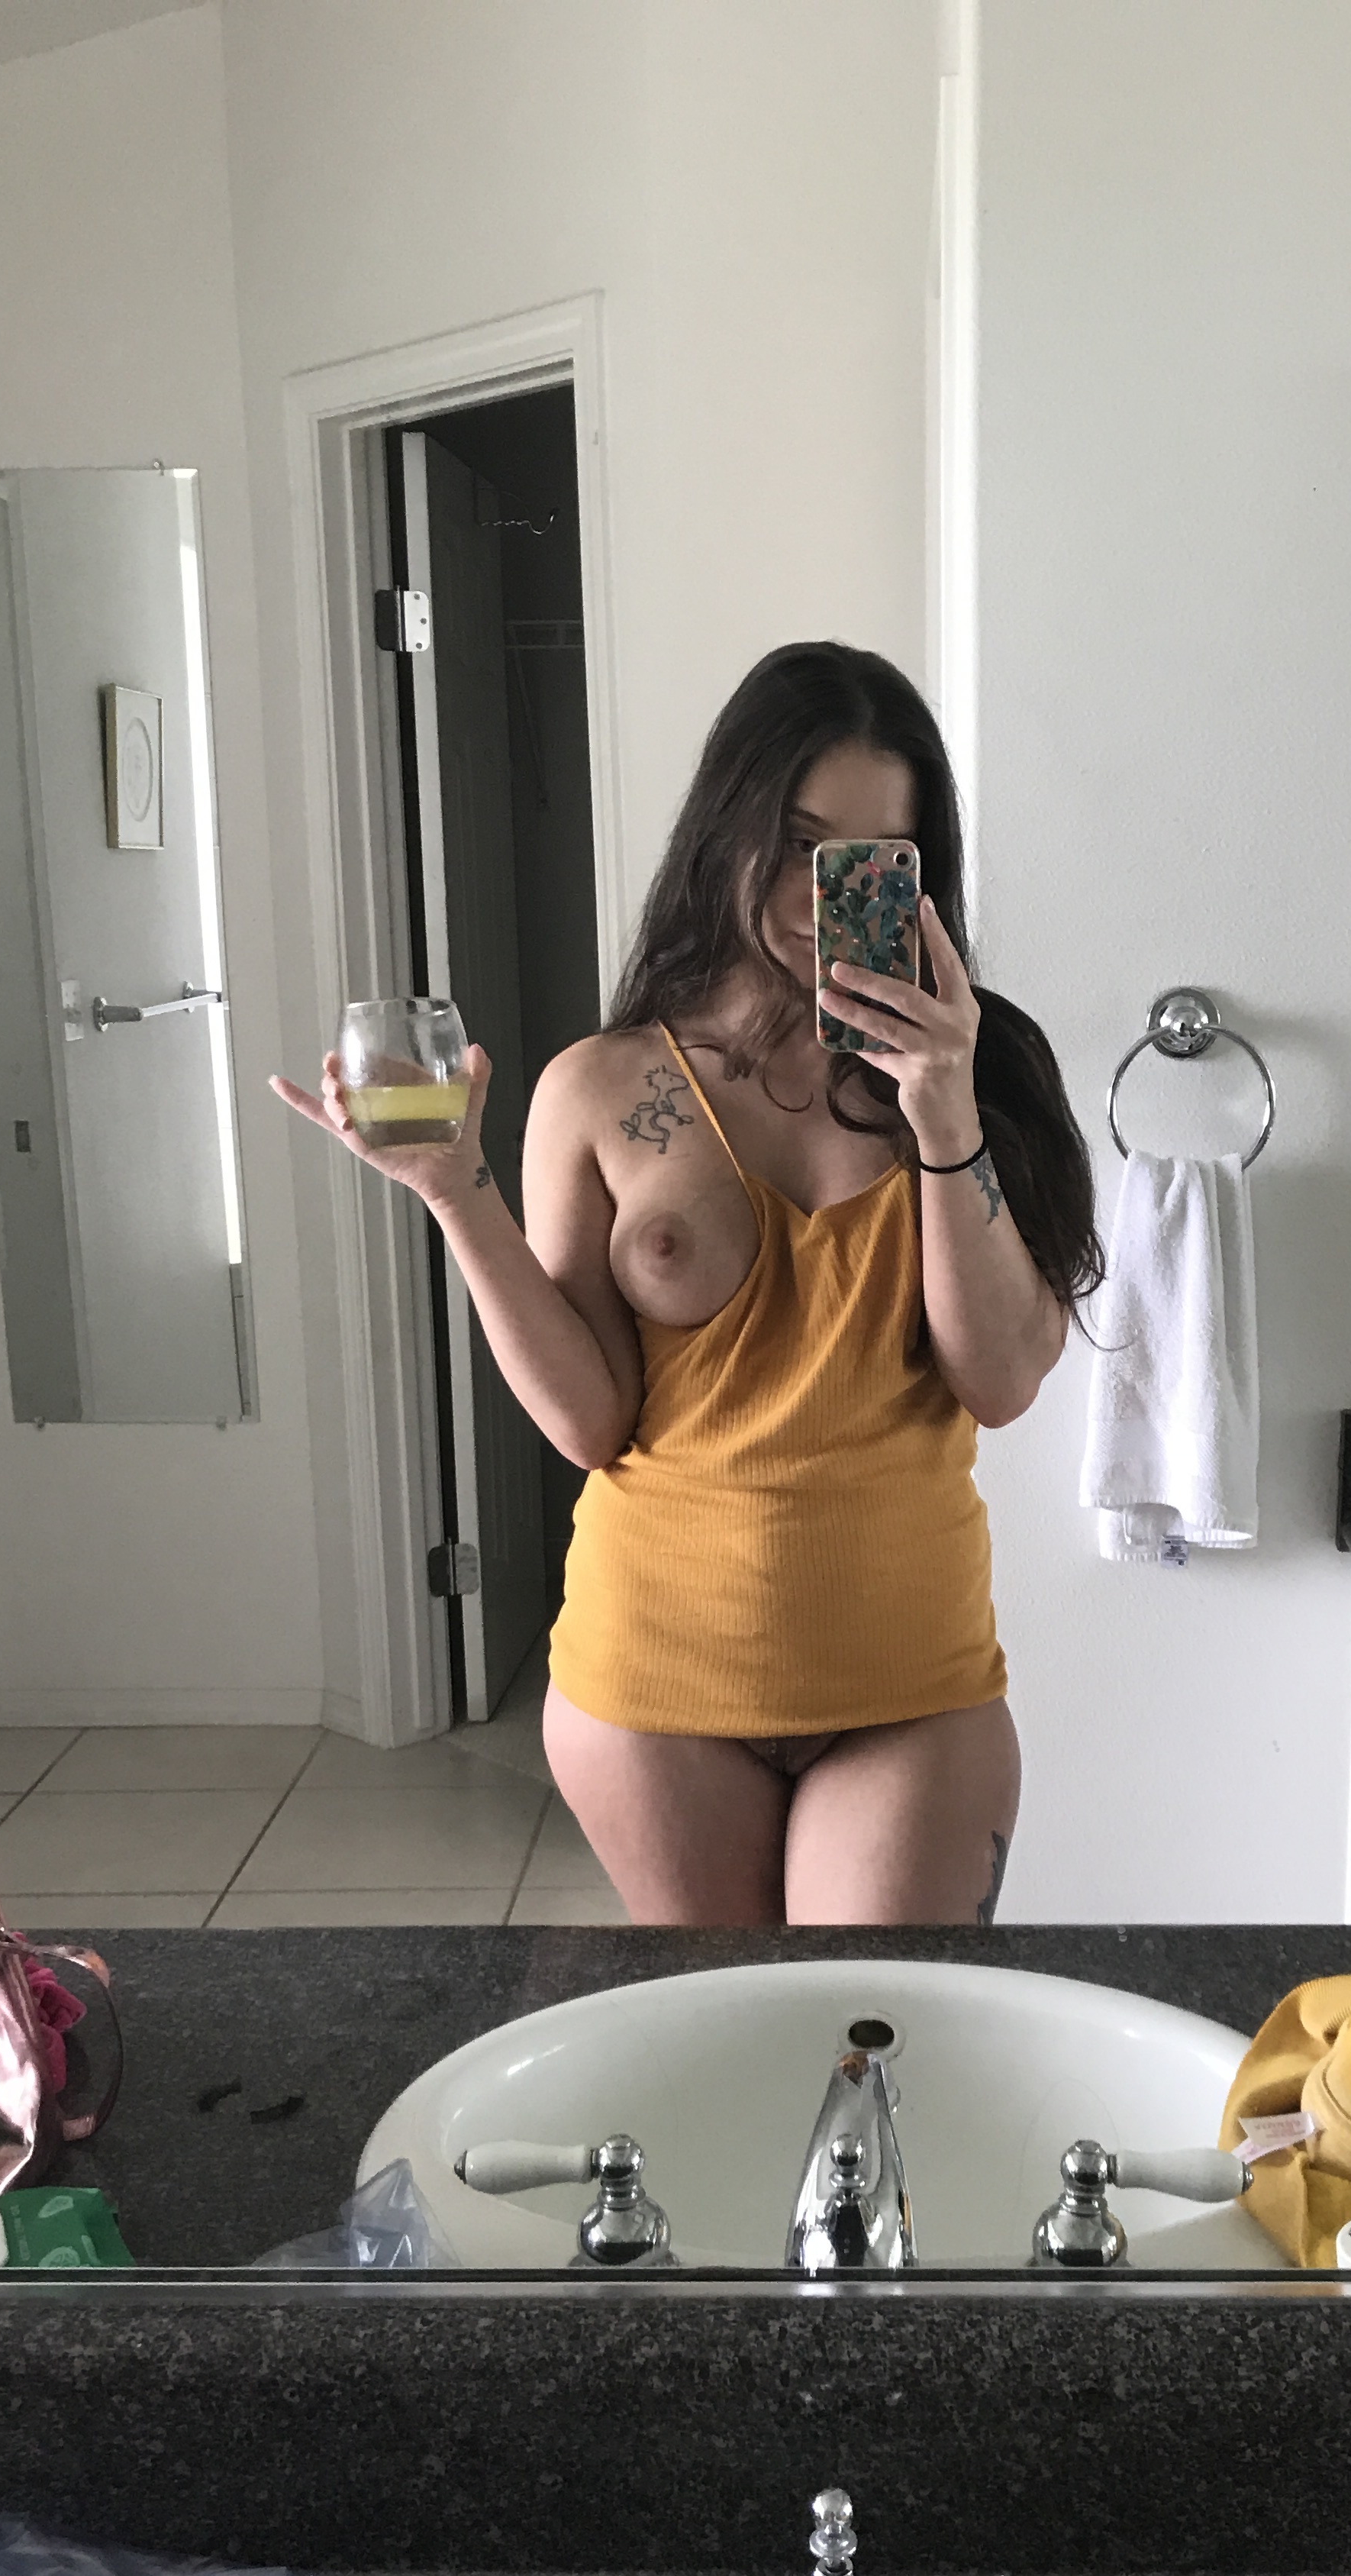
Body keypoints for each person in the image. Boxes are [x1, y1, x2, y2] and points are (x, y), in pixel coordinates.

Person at [274, 641, 1101, 1926]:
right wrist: (455, 1191)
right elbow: (589, 1421)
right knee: (724, 2027)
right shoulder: (600, 1088)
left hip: (909, 1685)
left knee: (875, 2026)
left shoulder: (985, 1071)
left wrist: (943, 1110)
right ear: (730, 824)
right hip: (653, 1683)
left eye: (868, 859)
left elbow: (997, 1381)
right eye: (795, 841)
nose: (818, 897)